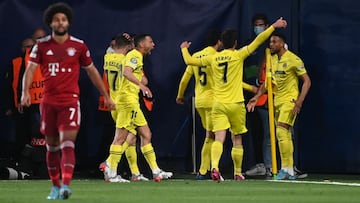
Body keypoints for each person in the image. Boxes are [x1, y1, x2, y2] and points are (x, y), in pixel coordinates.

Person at [21, 2, 115, 200]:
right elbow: (29, 70)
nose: (60, 22)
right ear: (51, 22)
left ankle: (65, 184)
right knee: (52, 146)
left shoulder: (79, 45)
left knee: (67, 143)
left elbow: (92, 71)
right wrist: (25, 92)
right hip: (48, 102)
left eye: (63, 19)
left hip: (70, 101)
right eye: (56, 19)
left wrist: (106, 95)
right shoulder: (41, 46)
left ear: (68, 22)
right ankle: (55, 186)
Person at [180, 17, 288, 182]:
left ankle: (214, 167)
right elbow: (259, 40)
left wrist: (184, 49)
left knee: (218, 138)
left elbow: (189, 61)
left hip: (218, 104)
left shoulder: (212, 58)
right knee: (237, 138)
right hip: (236, 104)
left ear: (222, 43)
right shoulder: (239, 55)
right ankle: (238, 172)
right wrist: (273, 26)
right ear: (235, 43)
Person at [99, 34, 173, 182]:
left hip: (117, 101)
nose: (153, 44)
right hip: (127, 102)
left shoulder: (109, 58)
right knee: (121, 138)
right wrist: (141, 85)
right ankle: (110, 167)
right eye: (150, 42)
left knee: (144, 134)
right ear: (130, 46)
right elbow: (128, 72)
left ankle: (154, 171)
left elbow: (114, 52)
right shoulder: (132, 56)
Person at [246, 32, 311, 180]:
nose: (271, 44)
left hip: (290, 100)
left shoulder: (293, 59)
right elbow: (268, 83)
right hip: (277, 101)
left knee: (281, 133)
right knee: (284, 134)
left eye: (274, 42)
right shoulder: (272, 60)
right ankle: (290, 169)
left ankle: (286, 168)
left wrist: (300, 101)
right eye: (270, 42)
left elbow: (307, 81)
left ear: (282, 43)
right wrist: (256, 98)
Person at [176, 30, 222, 180]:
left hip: (199, 101)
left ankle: (203, 171)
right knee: (215, 136)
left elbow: (184, 80)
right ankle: (208, 169)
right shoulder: (216, 57)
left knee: (209, 135)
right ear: (219, 42)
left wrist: (180, 96)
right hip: (214, 100)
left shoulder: (195, 56)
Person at [243, 13, 272, 178]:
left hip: (272, 94)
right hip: (253, 95)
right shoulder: (250, 45)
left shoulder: (272, 44)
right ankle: (261, 164)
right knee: (256, 131)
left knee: (277, 133)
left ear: (267, 26)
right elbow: (246, 68)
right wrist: (252, 87)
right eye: (256, 25)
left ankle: (284, 165)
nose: (258, 28)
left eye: (261, 25)